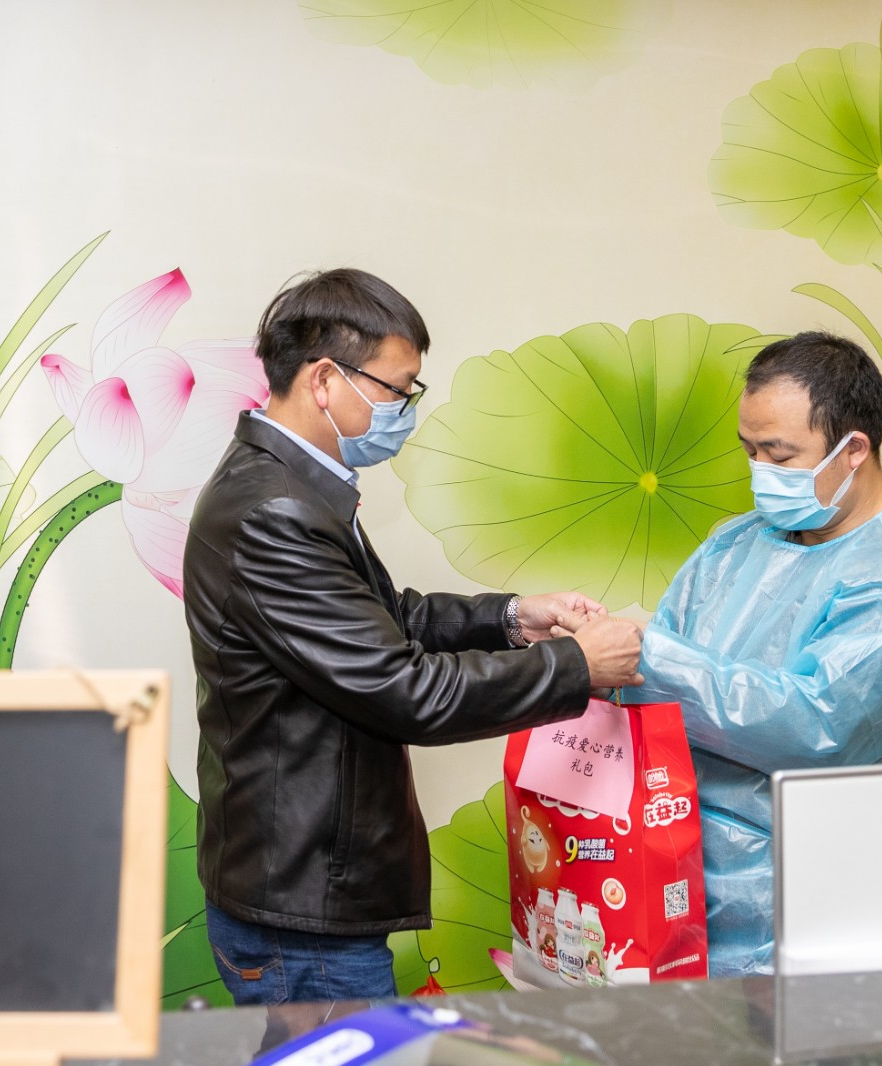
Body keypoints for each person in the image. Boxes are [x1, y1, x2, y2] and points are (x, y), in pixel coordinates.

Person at [183, 268, 644, 1005]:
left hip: (299, 888)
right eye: (396, 390)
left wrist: (513, 617)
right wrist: (576, 666)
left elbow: (382, 617)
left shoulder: (291, 485)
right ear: (325, 379)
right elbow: (404, 691)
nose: (405, 411)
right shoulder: (275, 511)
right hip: (303, 915)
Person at [561, 331, 882, 977]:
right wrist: (601, 658)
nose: (761, 471)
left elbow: (816, 730)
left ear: (854, 450)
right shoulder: (735, 544)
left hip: (831, 904)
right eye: (750, 451)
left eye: (780, 455)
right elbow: (657, 674)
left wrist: (643, 656)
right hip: (687, 883)